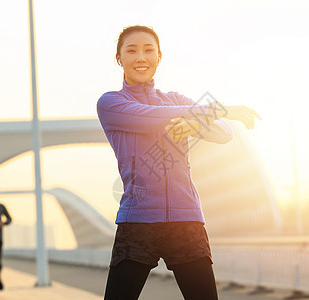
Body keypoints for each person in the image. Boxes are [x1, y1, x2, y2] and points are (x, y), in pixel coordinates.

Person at [97, 25, 262, 300]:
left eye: (149, 50)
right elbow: (150, 116)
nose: (141, 57)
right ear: (119, 58)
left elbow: (224, 132)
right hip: (138, 220)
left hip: (186, 219)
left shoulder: (175, 100)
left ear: (159, 57)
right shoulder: (112, 103)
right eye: (132, 50)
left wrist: (193, 125)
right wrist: (215, 109)